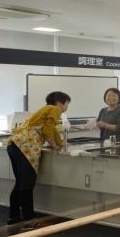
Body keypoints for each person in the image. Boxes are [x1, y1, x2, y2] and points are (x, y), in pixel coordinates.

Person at [5, 91, 70, 229]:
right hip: (25, 146)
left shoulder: (46, 109)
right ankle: (30, 221)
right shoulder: (55, 109)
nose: (67, 107)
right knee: (27, 184)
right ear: (60, 103)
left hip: (15, 144)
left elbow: (52, 130)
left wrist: (61, 142)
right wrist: (54, 146)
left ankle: (14, 217)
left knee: (21, 183)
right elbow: (47, 131)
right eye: (67, 103)